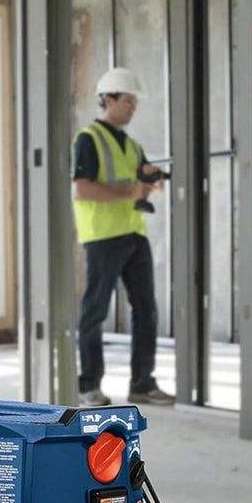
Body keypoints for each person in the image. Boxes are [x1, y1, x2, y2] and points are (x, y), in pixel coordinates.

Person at [72, 68, 175, 407]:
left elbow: (144, 179)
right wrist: (132, 191)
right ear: (109, 99)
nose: (133, 108)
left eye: (135, 102)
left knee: (146, 310)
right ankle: (88, 385)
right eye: (128, 101)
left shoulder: (132, 145)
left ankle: (142, 384)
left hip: (134, 233)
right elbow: (83, 188)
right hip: (103, 236)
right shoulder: (88, 139)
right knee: (95, 312)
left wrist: (150, 179)